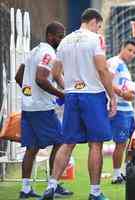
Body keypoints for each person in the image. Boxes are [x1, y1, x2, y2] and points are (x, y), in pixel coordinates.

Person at [39, 8, 116, 200]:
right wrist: (112, 96)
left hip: (72, 96)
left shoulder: (65, 41)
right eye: (99, 26)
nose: (99, 30)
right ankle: (95, 192)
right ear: (94, 22)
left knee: (67, 143)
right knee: (96, 144)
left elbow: (55, 73)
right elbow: (102, 70)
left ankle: (51, 186)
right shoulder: (95, 39)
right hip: (93, 95)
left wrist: (70, 88)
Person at [14, 21, 73, 199]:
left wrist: (28, 94)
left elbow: (19, 76)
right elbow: (41, 78)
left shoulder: (33, 51)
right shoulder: (48, 52)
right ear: (51, 36)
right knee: (62, 142)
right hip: (42, 108)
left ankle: (25, 189)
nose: (61, 41)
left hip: (28, 107)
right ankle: (52, 185)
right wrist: (60, 94)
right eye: (60, 37)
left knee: (31, 148)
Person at [107, 40, 135, 184]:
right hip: (119, 109)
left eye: (134, 52)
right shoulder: (114, 62)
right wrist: (121, 93)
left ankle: (126, 171)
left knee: (134, 142)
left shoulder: (125, 67)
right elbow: (106, 80)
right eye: (130, 50)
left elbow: (126, 89)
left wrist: (131, 94)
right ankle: (116, 175)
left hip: (128, 109)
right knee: (121, 142)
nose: (132, 54)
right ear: (122, 48)